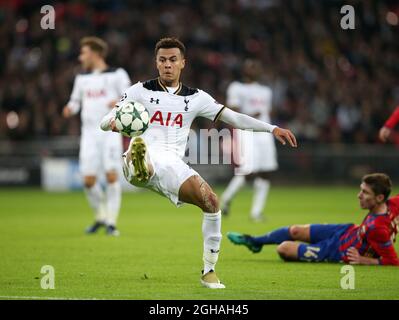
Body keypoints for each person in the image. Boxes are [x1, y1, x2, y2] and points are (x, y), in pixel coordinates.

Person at [100, 37, 297, 288]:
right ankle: (140, 166)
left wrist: (272, 128)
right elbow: (105, 120)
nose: (167, 65)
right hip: (143, 155)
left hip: (172, 165)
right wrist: (113, 123)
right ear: (156, 63)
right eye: (162, 60)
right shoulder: (139, 91)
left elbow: (234, 118)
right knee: (143, 155)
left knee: (212, 203)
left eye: (173, 60)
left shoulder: (196, 98)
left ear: (183, 63)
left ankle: (209, 271)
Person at [228, 173, 399, 266]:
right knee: (295, 230)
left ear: (379, 198)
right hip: (346, 231)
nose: (359, 195)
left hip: (339, 250)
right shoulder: (392, 204)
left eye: (365, 193)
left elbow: (392, 260)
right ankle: (254, 241)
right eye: (361, 190)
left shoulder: (377, 228)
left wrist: (364, 260)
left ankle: (314, 249)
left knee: (284, 248)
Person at [63, 37, 131, 236]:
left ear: (96, 54)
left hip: (110, 131)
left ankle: (111, 222)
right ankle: (100, 216)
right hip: (89, 135)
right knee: (88, 180)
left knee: (111, 175)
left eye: (84, 52)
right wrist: (69, 108)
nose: (80, 56)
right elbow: (75, 101)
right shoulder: (81, 78)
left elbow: (130, 98)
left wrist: (118, 102)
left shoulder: (117, 74)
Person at [220, 59, 278, 221]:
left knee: (266, 172)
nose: (254, 68)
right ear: (244, 70)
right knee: (248, 171)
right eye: (250, 66)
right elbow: (233, 111)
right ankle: (226, 198)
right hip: (246, 132)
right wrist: (252, 117)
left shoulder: (266, 91)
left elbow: (268, 111)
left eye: (256, 65)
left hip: (264, 133)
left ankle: (256, 212)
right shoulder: (236, 87)